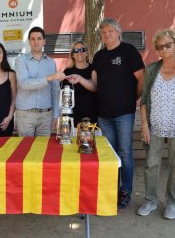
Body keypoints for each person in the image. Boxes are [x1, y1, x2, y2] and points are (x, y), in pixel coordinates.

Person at [67, 18, 145, 209]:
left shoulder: (129, 51)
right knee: (109, 154)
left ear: (119, 31)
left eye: (111, 30)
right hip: (104, 114)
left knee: (125, 152)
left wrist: (135, 98)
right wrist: (79, 78)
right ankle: (111, 189)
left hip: (124, 112)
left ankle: (125, 190)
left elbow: (141, 78)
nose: (107, 34)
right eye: (103, 32)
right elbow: (94, 86)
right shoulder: (99, 57)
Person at [137, 29, 175, 219]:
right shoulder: (152, 69)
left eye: (168, 45)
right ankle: (150, 200)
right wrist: (144, 125)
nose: (164, 49)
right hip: (154, 127)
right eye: (160, 46)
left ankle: (172, 202)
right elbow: (144, 99)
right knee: (151, 164)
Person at [15, 26, 66, 136]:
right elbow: (24, 84)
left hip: (45, 116)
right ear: (29, 41)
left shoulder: (51, 62)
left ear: (44, 41)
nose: (36, 42)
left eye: (39, 38)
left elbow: (55, 90)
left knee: (43, 150)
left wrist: (56, 114)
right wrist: (49, 78)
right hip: (25, 115)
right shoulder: (21, 60)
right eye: (33, 39)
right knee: (25, 149)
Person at [63, 41, 97, 126]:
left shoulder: (93, 68)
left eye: (82, 49)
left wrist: (80, 78)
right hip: (72, 114)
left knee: (90, 138)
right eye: (76, 50)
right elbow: (63, 95)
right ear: (72, 55)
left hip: (92, 112)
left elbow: (95, 88)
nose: (79, 52)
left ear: (87, 52)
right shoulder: (67, 71)